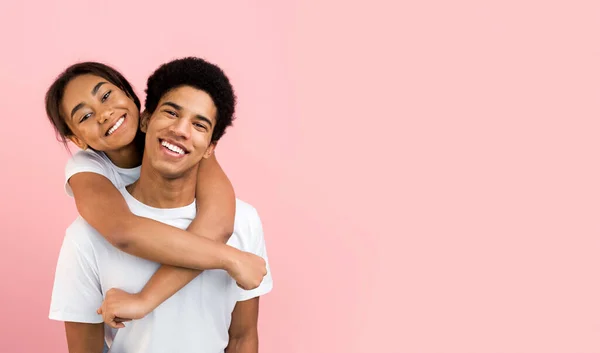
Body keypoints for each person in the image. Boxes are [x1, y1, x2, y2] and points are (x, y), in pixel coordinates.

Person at [49, 56, 273, 352]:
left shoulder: (186, 144)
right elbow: (123, 231)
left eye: (106, 96)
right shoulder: (87, 189)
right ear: (75, 138)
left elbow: (219, 224)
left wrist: (145, 300)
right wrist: (231, 259)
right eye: (84, 116)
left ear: (131, 97)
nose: (103, 114)